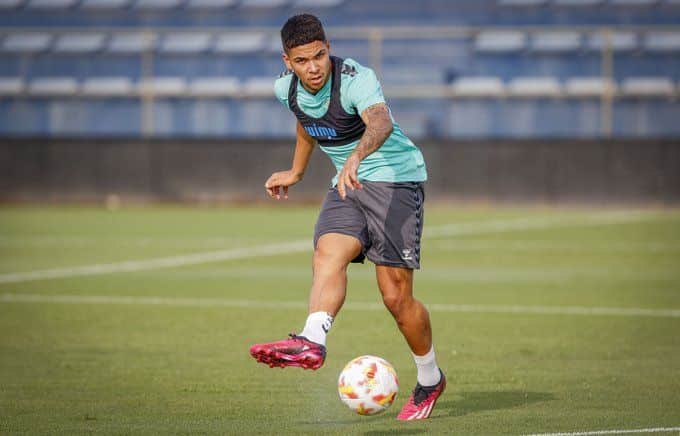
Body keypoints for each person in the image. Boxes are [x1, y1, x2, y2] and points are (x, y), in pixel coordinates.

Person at [249, 13, 445, 421]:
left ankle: (430, 378)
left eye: (319, 55)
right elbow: (306, 122)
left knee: (395, 297)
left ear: (329, 47)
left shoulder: (356, 77)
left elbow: (381, 122)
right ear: (288, 62)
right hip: (347, 184)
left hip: (395, 179)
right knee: (327, 253)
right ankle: (311, 340)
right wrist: (297, 171)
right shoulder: (285, 90)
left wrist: (356, 155)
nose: (314, 67)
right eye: (302, 61)